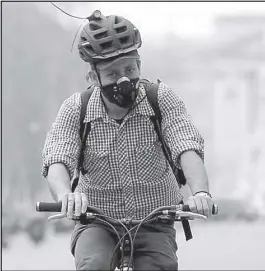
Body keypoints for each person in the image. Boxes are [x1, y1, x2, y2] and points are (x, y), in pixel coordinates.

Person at [42, 10, 215, 271]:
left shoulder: (161, 99)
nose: (123, 80)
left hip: (155, 222)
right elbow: (58, 156)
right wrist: (66, 195)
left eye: (130, 69)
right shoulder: (76, 109)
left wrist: (200, 191)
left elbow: (185, 144)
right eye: (112, 74)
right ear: (93, 78)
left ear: (140, 65)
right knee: (93, 265)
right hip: (96, 221)